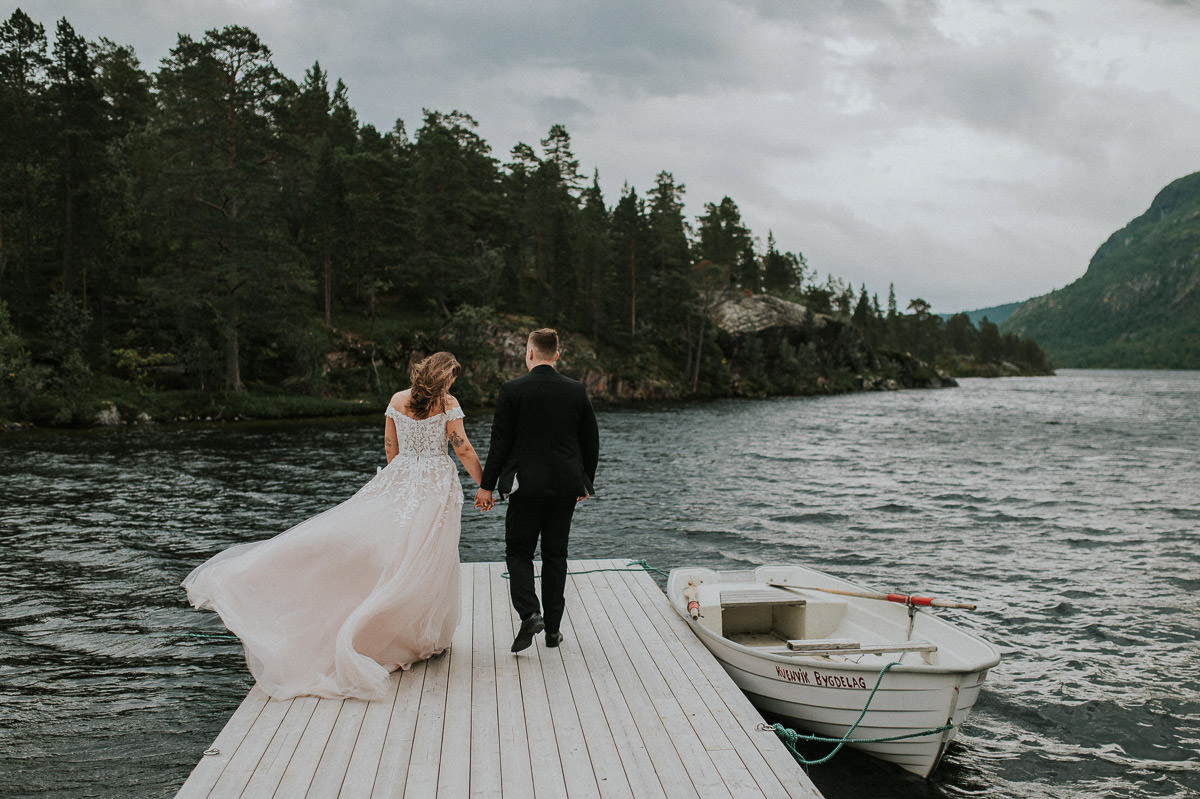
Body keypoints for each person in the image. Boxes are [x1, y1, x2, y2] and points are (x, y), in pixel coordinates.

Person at [182, 352, 483, 700]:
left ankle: (396, 625)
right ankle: (419, 633)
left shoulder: (397, 400)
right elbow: (462, 449)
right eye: (452, 380)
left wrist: (399, 481)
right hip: (434, 484)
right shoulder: (448, 403)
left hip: (400, 478)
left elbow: (390, 448)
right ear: (444, 379)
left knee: (394, 549)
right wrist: (483, 484)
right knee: (427, 556)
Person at [474, 329, 599, 653]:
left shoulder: (512, 390)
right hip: (565, 486)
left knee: (519, 553)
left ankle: (530, 613)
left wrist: (486, 486)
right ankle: (553, 632)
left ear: (529, 353)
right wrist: (586, 481)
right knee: (556, 555)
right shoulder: (576, 390)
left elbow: (499, 445)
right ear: (556, 355)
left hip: (524, 486)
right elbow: (590, 442)